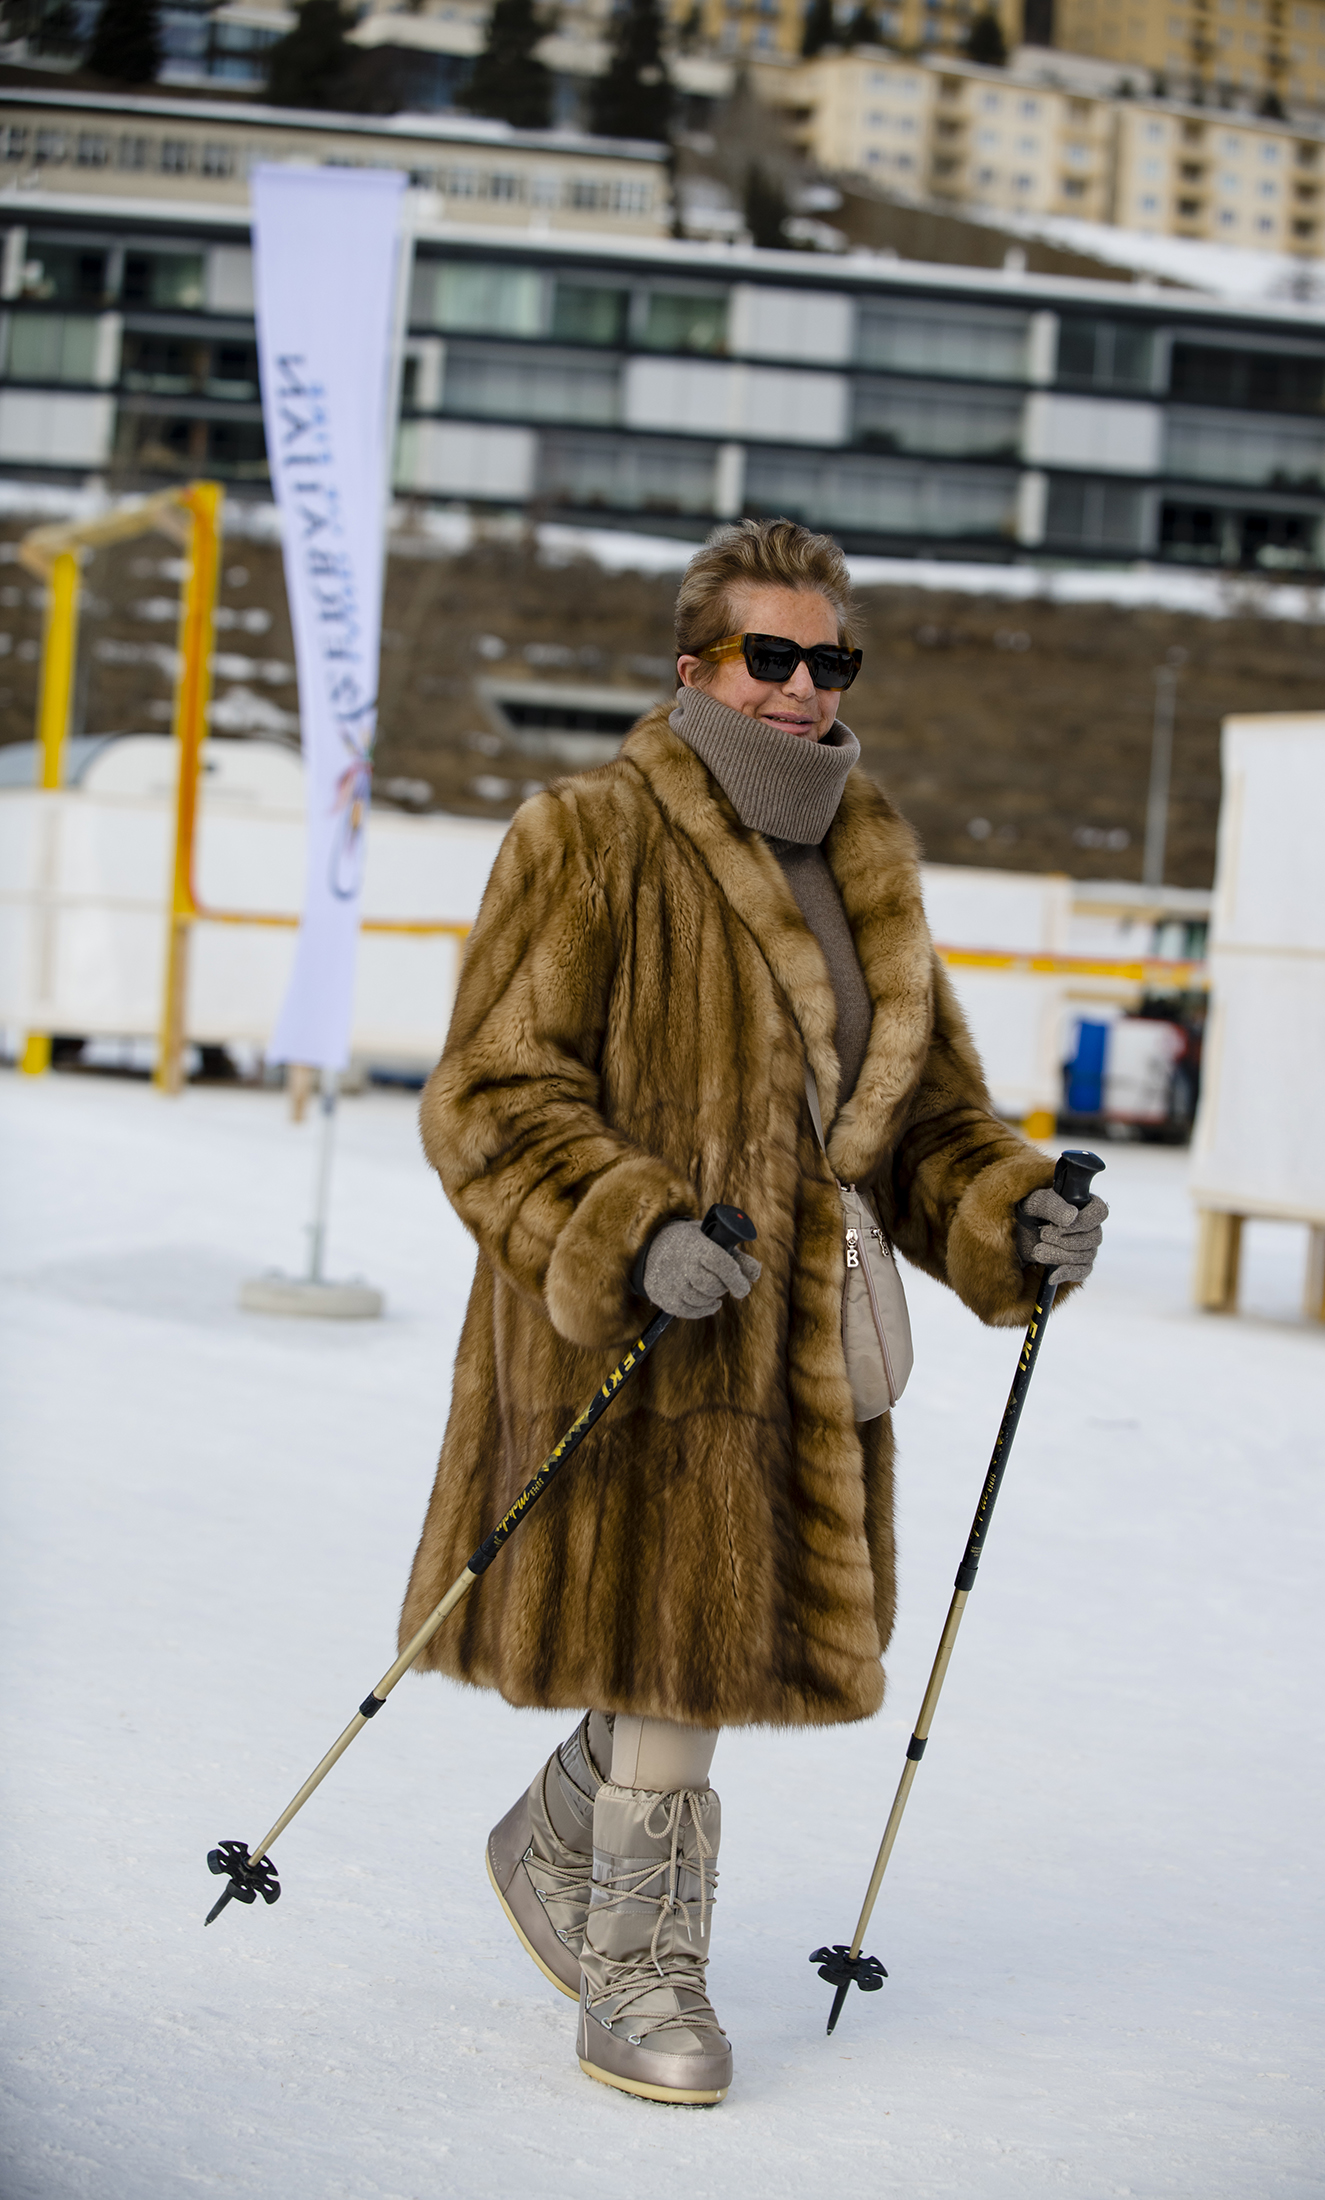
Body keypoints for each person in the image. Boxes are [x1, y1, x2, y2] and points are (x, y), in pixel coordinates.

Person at [399, 518, 1106, 2107]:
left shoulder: (872, 861)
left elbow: (923, 1121)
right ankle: (638, 1964)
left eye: (826, 659)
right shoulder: (585, 834)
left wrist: (1012, 1209)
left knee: (692, 1650)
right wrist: (628, 1223)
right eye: (768, 657)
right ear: (696, 667)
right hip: (635, 1330)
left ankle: (558, 1830)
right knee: (676, 1654)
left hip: (793, 1345)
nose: (800, 689)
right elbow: (491, 1093)